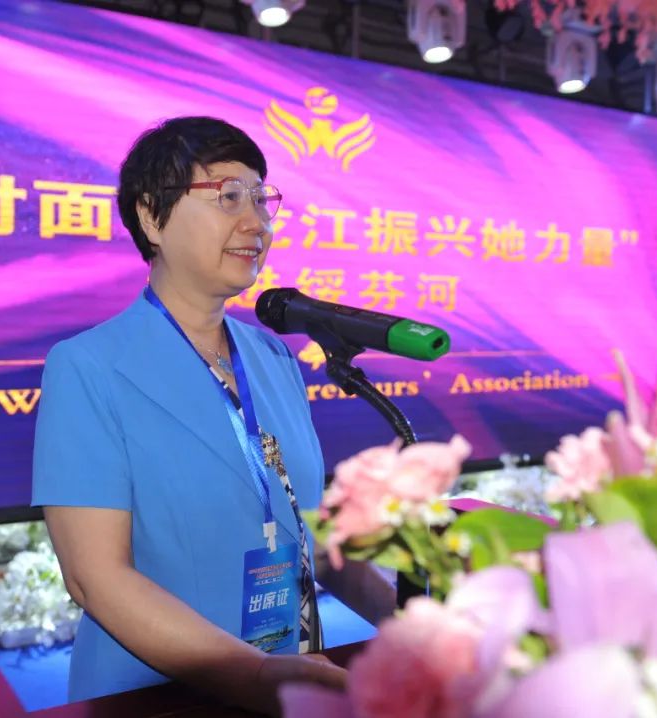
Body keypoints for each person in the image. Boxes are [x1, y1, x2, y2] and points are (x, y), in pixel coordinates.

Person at [32, 117, 394, 715]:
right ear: (152, 216)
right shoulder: (87, 367)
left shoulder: (273, 357)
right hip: (154, 696)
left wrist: (412, 619)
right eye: (227, 196)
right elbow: (94, 578)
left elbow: (310, 528)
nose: (256, 222)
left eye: (261, 199)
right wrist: (253, 675)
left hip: (291, 677)